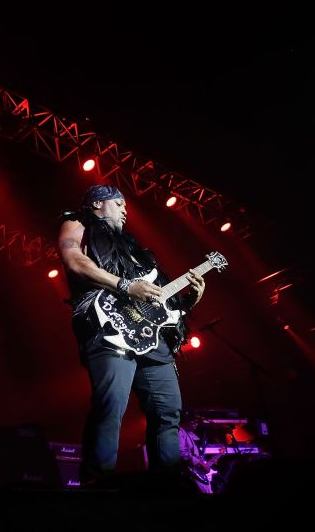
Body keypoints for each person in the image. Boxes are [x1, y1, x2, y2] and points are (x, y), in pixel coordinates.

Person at [58, 184, 206, 484]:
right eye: (119, 203)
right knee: (111, 405)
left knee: (168, 412)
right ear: (98, 204)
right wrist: (125, 286)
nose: (126, 210)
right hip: (107, 326)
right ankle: (97, 484)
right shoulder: (78, 221)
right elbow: (74, 260)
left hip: (150, 336)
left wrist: (188, 299)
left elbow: (158, 304)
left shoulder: (135, 249)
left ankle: (167, 486)